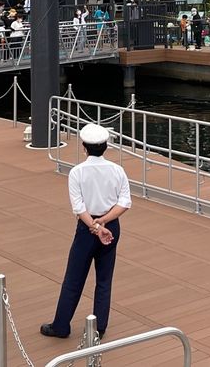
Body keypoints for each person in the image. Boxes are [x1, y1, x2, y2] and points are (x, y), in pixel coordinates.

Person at [41, 123, 131, 340]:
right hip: (111, 226)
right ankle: (99, 327)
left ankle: (61, 326)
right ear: (106, 146)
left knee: (74, 278)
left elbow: (79, 207)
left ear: (84, 147)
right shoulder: (117, 170)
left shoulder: (77, 172)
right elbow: (125, 202)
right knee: (104, 279)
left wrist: (95, 226)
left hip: (86, 228)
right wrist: (104, 222)